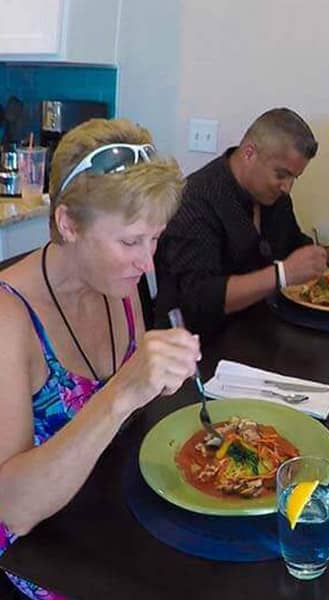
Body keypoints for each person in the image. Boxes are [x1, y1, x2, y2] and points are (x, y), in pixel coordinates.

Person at [0, 119, 200, 600]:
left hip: (108, 521)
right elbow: (13, 508)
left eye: (155, 239)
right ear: (68, 223)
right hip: (38, 562)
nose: (147, 262)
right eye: (131, 241)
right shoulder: (10, 318)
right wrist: (123, 391)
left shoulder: (119, 283)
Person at [153, 107, 329, 335]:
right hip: (197, 343)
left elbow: (291, 247)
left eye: (294, 177)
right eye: (281, 175)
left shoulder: (275, 197)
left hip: (257, 328)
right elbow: (200, 299)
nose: (287, 187)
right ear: (249, 153)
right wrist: (282, 275)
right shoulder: (196, 201)